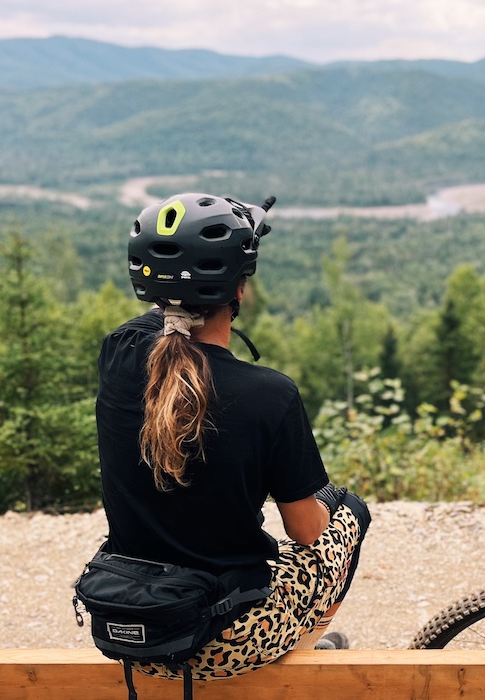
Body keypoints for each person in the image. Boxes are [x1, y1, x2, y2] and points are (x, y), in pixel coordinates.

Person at [95, 192, 370, 681]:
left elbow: (162, 324)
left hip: (130, 622)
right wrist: (327, 498)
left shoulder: (118, 355)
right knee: (346, 512)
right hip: (223, 640)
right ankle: (294, 656)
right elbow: (305, 531)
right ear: (238, 292)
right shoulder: (271, 394)